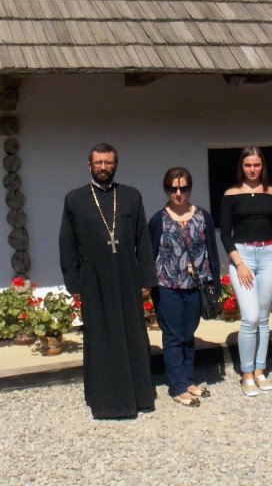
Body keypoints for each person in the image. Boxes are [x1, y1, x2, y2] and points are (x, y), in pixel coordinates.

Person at [59, 143, 156, 419]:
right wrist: (73, 283)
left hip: (127, 276)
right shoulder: (74, 199)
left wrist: (146, 279)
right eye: (98, 162)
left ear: (116, 165)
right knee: (101, 337)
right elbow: (67, 242)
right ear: (89, 165)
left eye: (108, 163)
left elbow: (142, 240)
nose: (103, 167)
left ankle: (139, 397)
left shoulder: (130, 196)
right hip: (94, 280)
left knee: (132, 335)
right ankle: (106, 401)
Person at [148, 167, 220, 407]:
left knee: (188, 334)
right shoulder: (158, 219)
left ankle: (188, 380)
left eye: (183, 188)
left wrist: (215, 284)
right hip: (167, 286)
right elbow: (149, 253)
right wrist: (146, 285)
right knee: (173, 335)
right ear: (166, 189)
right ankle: (177, 386)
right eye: (173, 188)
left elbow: (212, 251)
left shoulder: (202, 216)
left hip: (196, 285)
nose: (178, 193)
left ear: (190, 188)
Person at [219, 147, 272, 396]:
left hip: (268, 255)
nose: (253, 169)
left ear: (262, 166)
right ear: (242, 167)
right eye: (248, 165)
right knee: (250, 317)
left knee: (265, 318)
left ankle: (260, 369)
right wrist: (239, 264)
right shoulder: (231, 194)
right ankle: (246, 373)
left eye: (257, 165)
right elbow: (225, 234)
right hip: (242, 257)